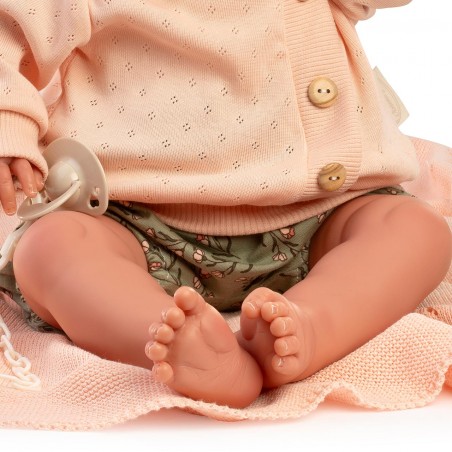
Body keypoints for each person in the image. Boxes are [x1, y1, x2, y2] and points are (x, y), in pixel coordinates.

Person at [0, 0, 450, 408]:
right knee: (50, 248)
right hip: (134, 219)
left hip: (317, 213)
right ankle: (169, 338)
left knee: (414, 228)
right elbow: (9, 27)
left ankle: (311, 325)